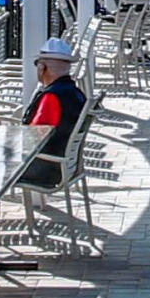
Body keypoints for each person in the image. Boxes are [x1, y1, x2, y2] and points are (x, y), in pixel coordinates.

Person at [15, 36, 88, 191]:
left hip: (45, 169)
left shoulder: (51, 97)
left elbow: (33, 136)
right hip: (65, 166)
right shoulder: (77, 94)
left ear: (42, 68)